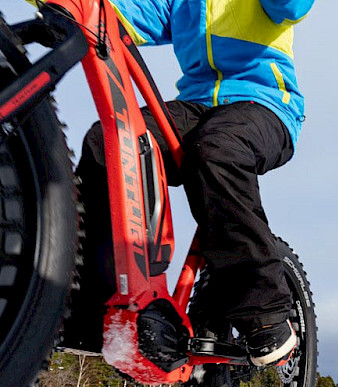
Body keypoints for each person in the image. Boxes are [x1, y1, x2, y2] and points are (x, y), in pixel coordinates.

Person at [73, 0, 315, 366]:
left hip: (265, 105)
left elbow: (292, 6)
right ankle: (95, 306)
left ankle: (263, 308)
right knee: (109, 141)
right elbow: (120, 15)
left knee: (217, 149)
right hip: (197, 106)